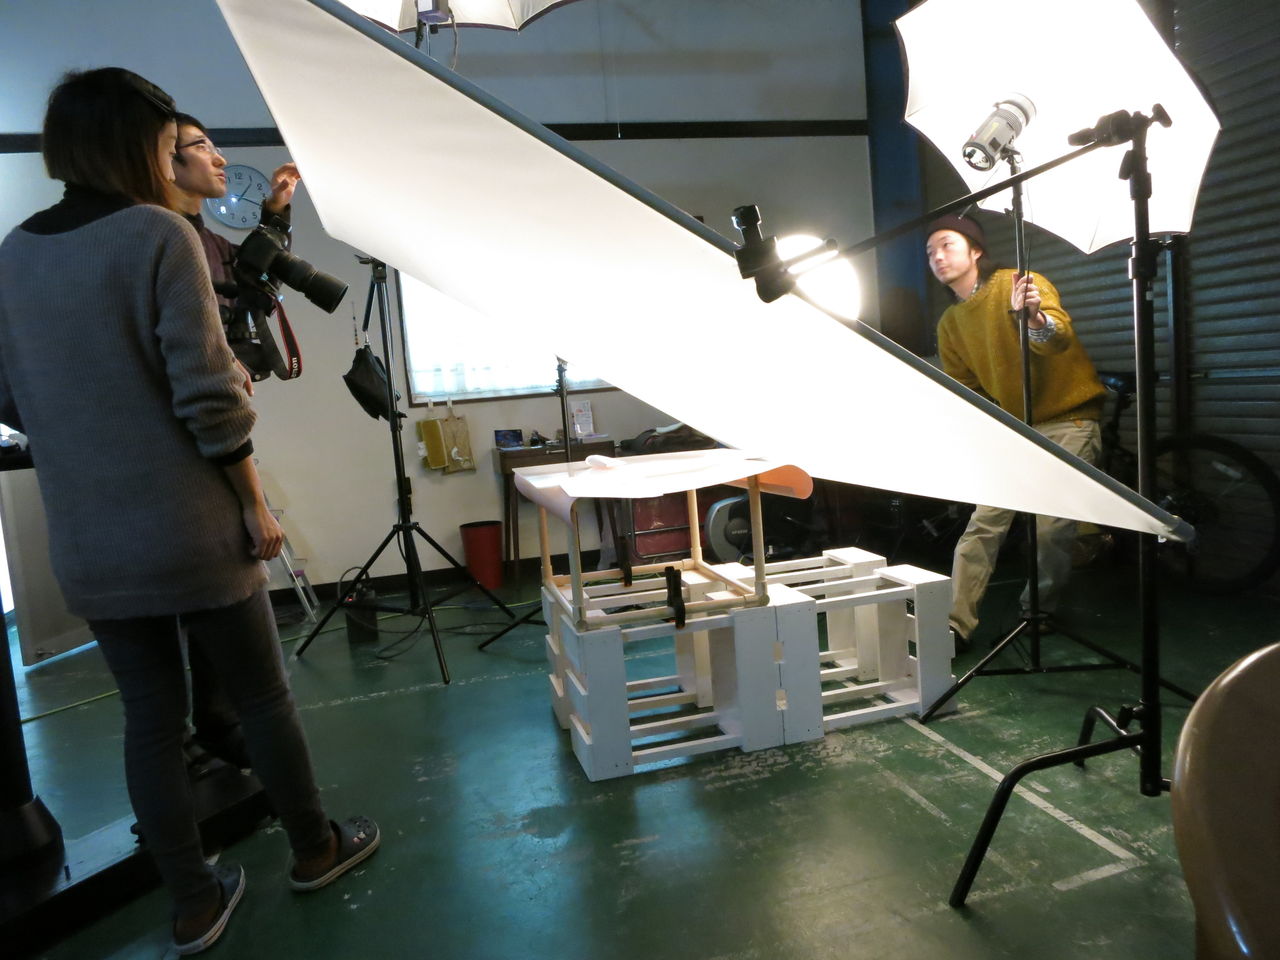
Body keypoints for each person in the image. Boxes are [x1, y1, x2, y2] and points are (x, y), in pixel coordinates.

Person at [0, 68, 378, 955]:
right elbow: (210, 400)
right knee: (261, 697)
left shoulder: (14, 252)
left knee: (150, 723)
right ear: (132, 140)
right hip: (192, 528)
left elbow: (11, 399)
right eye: (166, 137)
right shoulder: (158, 234)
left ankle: (195, 904)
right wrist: (253, 503)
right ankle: (316, 848)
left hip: (89, 538)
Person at [168, 112, 302, 770]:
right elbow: (197, 371)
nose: (218, 158)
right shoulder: (161, 242)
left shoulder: (203, 238)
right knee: (218, 602)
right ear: (161, 159)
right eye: (201, 147)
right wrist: (254, 503)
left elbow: (247, 282)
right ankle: (209, 737)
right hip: (184, 454)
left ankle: (214, 727)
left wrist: (276, 213)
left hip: (211, 441)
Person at [926, 214, 1105, 647]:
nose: (938, 257)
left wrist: (1034, 319)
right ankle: (955, 625)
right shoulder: (950, 322)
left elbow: (1057, 338)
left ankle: (1037, 612)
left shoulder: (1020, 283)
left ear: (976, 251)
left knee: (1050, 530)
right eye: (930, 252)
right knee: (982, 527)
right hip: (1014, 431)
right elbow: (968, 390)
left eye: (947, 245)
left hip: (1068, 418)